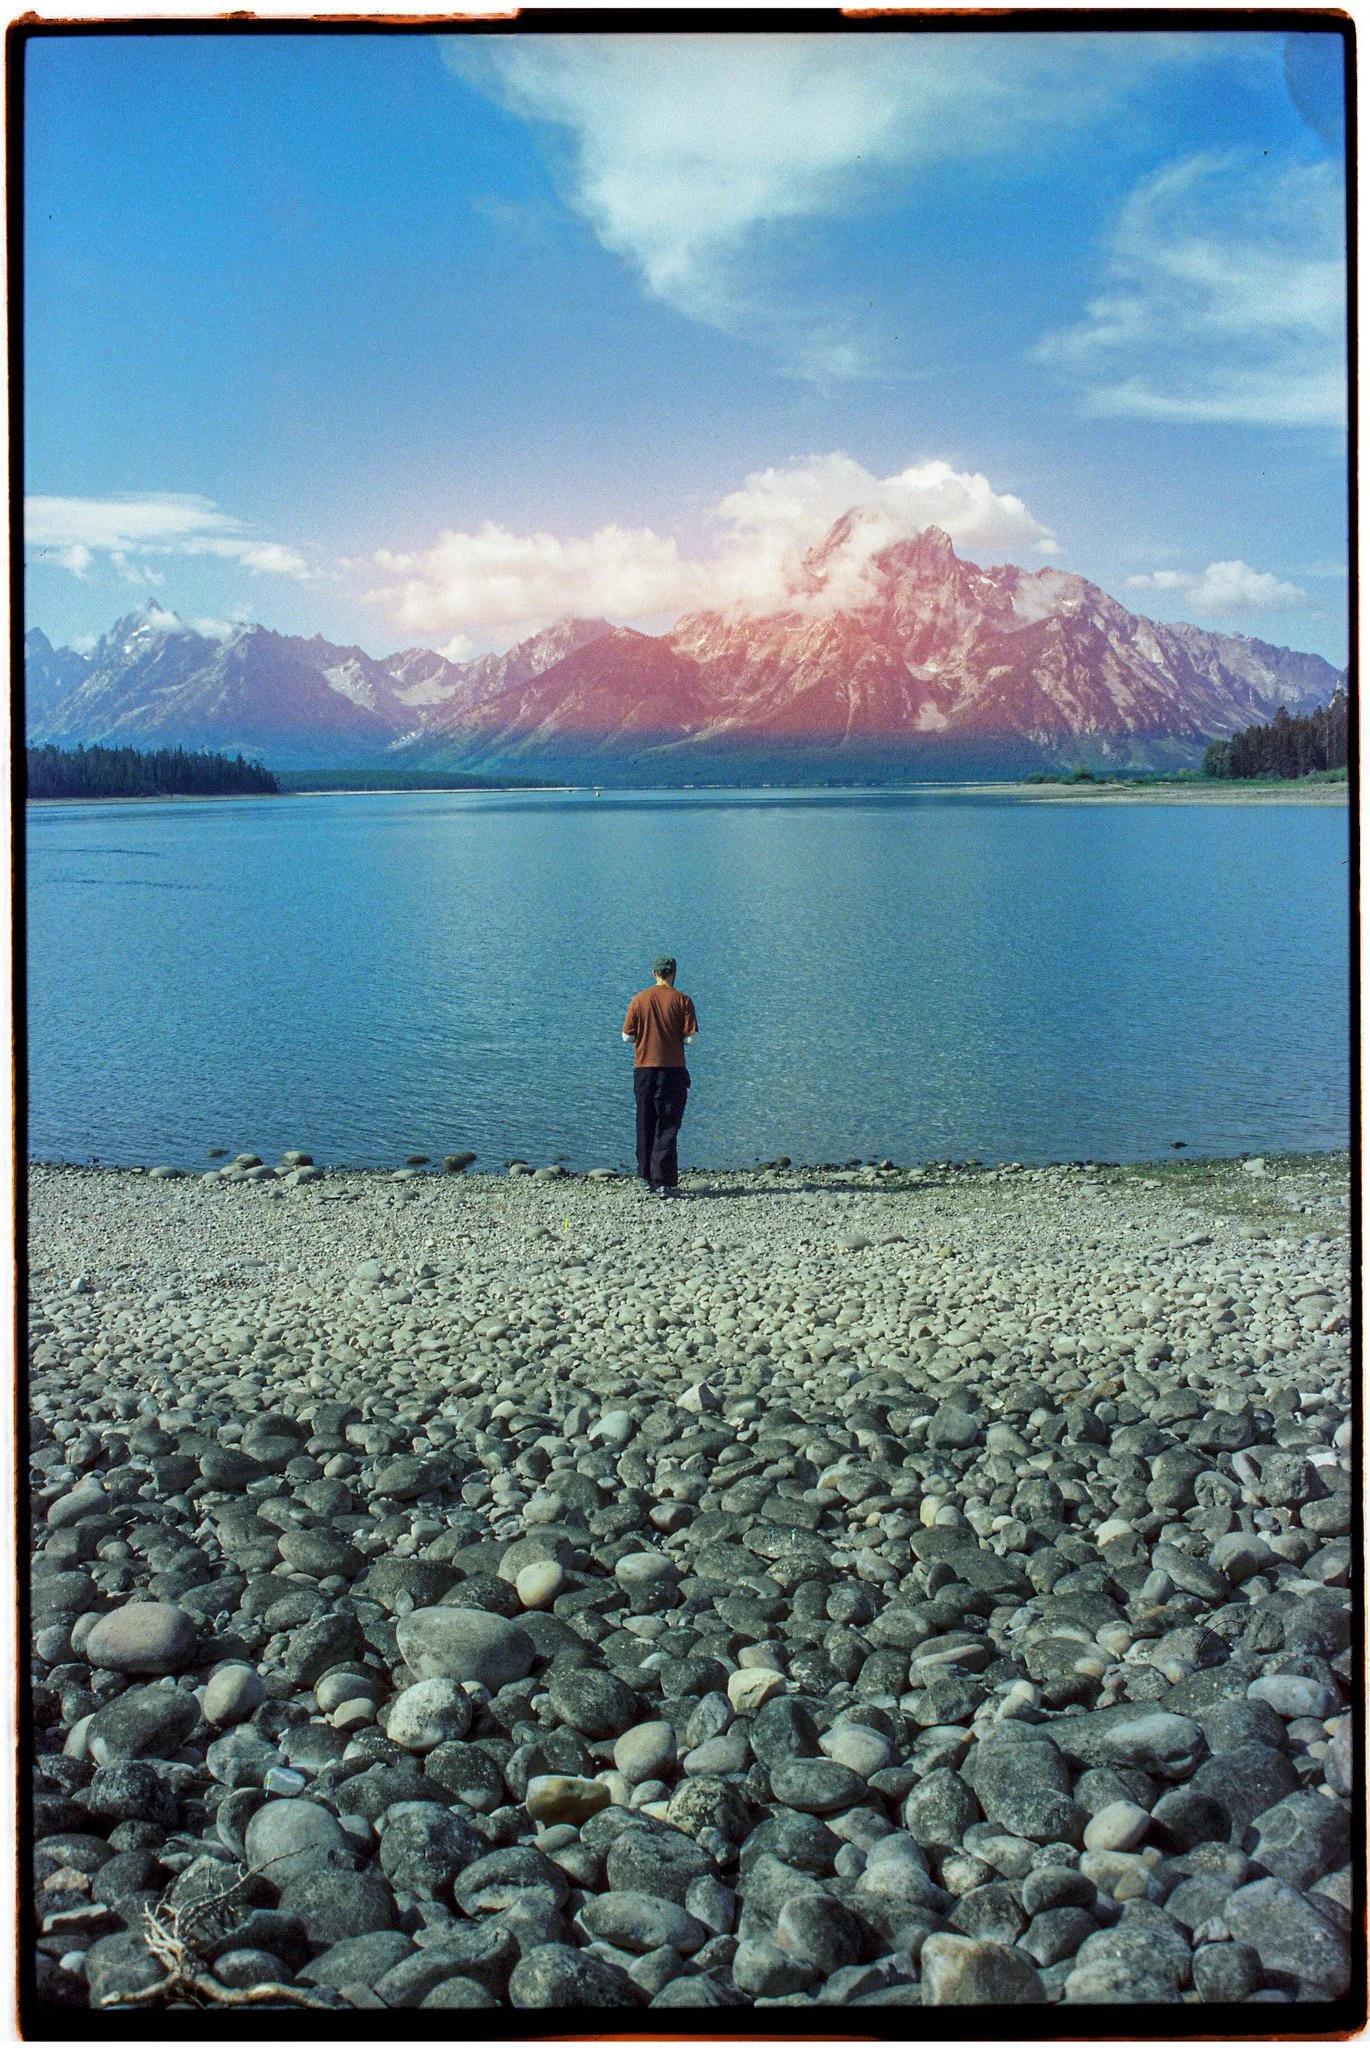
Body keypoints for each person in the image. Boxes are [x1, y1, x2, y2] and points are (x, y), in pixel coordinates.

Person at [622, 955, 698, 1198]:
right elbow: (691, 1039)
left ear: (654, 973)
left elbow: (627, 1037)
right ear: (674, 973)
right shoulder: (683, 1000)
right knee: (667, 1125)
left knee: (645, 1121)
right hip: (672, 1070)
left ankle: (645, 1176)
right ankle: (663, 1180)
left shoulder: (639, 999)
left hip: (644, 1069)